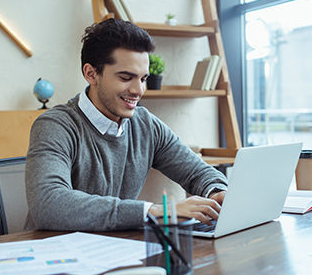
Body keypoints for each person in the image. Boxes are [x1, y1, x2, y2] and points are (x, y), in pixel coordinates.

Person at [25, 19, 227, 231]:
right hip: (55, 254)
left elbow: (196, 172)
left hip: (116, 248)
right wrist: (153, 211)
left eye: (143, 79)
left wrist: (217, 193)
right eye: (126, 77)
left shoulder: (145, 124)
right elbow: (48, 204)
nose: (138, 90)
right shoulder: (55, 126)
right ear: (91, 74)